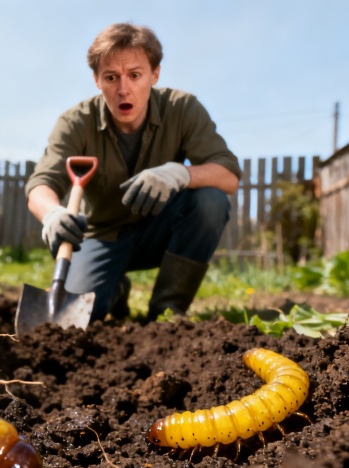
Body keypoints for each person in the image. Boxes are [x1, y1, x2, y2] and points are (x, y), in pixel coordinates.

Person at [25, 22, 241, 322]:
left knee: (210, 201)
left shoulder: (182, 109)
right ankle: (114, 290)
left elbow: (228, 176)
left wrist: (179, 173)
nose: (123, 89)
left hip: (160, 228)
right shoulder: (75, 123)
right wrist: (51, 213)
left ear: (155, 74)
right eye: (111, 77)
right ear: (97, 80)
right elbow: (41, 184)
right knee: (82, 319)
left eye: (135, 75)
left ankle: (167, 313)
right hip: (101, 236)